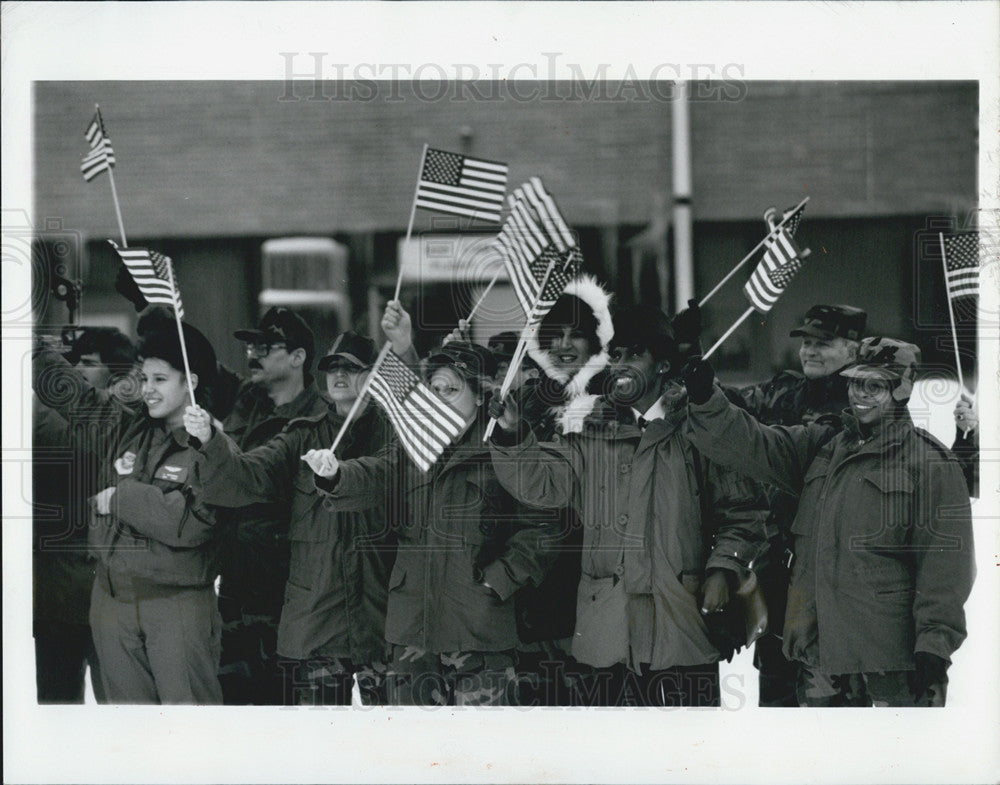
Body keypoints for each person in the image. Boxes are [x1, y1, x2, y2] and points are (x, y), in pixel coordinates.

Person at [489, 305, 769, 707]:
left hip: (681, 627)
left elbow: (744, 512)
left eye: (634, 354)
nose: (621, 365)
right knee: (612, 761)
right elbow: (541, 485)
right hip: (606, 634)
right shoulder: (586, 427)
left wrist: (724, 569)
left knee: (682, 761)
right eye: (615, 355)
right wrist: (514, 435)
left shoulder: (701, 427)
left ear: (662, 365)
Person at [682, 337, 976, 706]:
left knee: (894, 764)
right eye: (855, 382)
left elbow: (945, 569)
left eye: (875, 385)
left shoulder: (930, 464)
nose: (860, 394)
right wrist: (706, 397)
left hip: (891, 669)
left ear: (900, 391)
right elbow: (754, 444)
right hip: (820, 666)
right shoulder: (822, 446)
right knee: (821, 763)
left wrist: (934, 647)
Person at [303, 314, 559, 707]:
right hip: (413, 632)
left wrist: (502, 578)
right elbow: (377, 474)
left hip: (478, 629)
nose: (438, 399)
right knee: (415, 754)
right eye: (434, 389)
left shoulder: (508, 445)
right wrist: (336, 474)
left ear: (479, 395)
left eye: (450, 390)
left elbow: (542, 523)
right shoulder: (414, 442)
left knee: (482, 756)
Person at [185, 331, 395, 705]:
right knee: (320, 748)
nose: (339, 375)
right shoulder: (302, 436)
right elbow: (246, 476)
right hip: (317, 622)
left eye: (351, 367)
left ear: (374, 376)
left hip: (383, 621)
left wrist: (338, 475)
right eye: (332, 367)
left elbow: (386, 476)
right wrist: (209, 442)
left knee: (390, 745)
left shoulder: (395, 434)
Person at [33, 321, 223, 704]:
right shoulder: (127, 428)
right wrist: (33, 348)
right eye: (143, 377)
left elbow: (187, 523)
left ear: (191, 382)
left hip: (175, 606)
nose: (147, 389)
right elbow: (76, 398)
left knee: (187, 732)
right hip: (112, 602)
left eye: (159, 379)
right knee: (128, 734)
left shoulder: (213, 446)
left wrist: (121, 497)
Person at [735, 304, 866, 707]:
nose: (809, 350)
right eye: (806, 342)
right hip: (778, 575)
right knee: (777, 699)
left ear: (854, 348)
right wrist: (685, 358)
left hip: (836, 582)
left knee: (833, 712)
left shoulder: (866, 402)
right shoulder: (784, 391)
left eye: (822, 343)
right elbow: (726, 405)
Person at [215, 306, 327, 704]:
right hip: (234, 596)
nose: (253, 355)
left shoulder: (321, 420)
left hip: (288, 601)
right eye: (250, 347)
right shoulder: (244, 399)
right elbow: (189, 360)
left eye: (266, 347)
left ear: (298, 357)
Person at [32, 326, 138, 703]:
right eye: (72, 362)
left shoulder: (110, 419)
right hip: (68, 592)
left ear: (121, 375)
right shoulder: (50, 416)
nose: (76, 370)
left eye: (88, 364)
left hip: (85, 592)